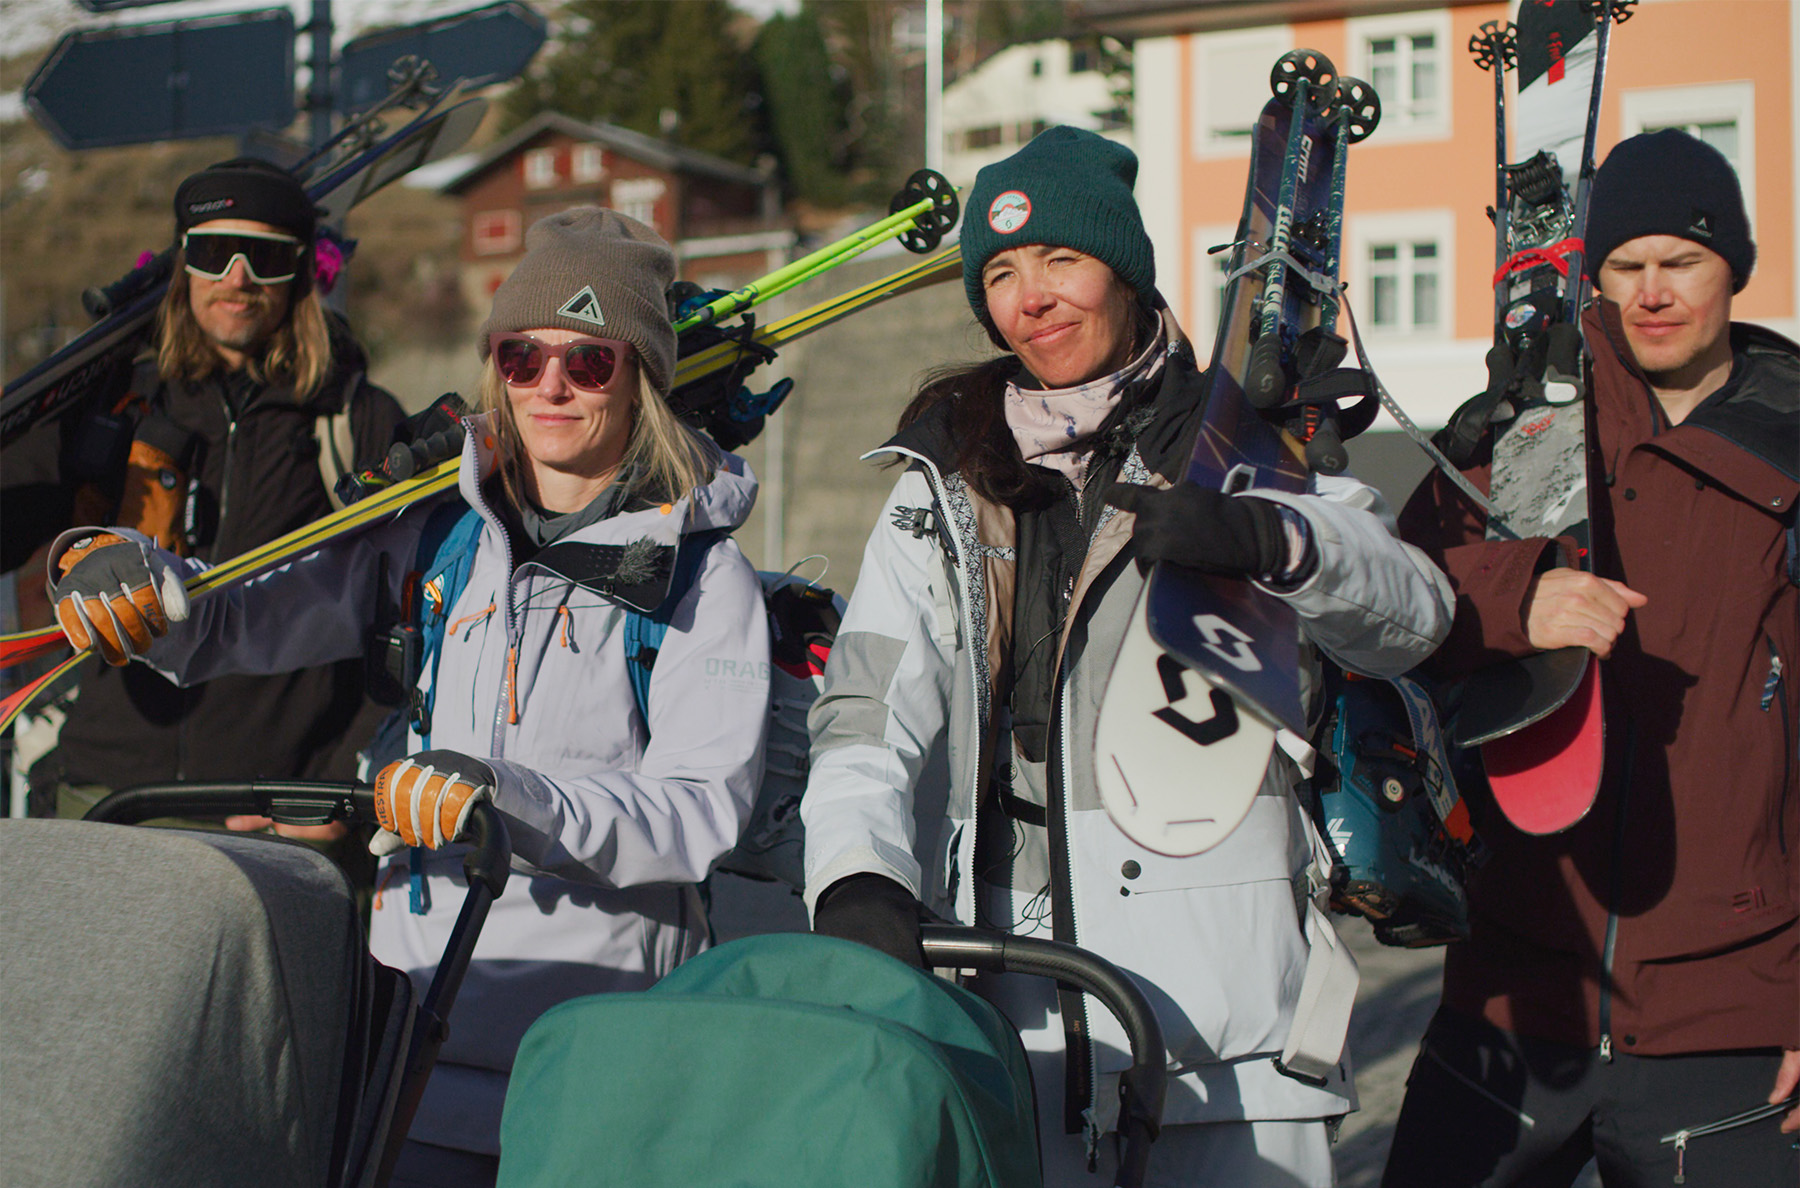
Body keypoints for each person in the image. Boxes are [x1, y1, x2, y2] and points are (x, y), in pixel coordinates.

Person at [45, 206, 772, 1187]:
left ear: (640, 376)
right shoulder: (433, 535)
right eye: (524, 356)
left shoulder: (697, 574)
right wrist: (110, 567)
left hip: (598, 1050)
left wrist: (507, 798)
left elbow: (702, 808)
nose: (551, 386)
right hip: (415, 1040)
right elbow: (228, 618)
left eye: (590, 362)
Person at [799, 127, 1453, 1187]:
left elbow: (1412, 613)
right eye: (1001, 274)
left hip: (1225, 1044)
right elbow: (866, 713)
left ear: (1126, 269)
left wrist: (1270, 542)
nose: (1031, 298)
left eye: (1061, 259)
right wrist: (858, 879)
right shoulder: (942, 478)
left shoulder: (1240, 444)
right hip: (1002, 1026)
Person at [1384, 129, 1799, 1187]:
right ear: (1593, 278)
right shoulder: (1527, 430)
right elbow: (1390, 598)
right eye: (1626, 266)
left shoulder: (1788, 447)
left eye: (1684, 261)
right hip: (1519, 989)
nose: (1654, 292)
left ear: (1735, 270)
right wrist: (1518, 595)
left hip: (1732, 1016)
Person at [2, 157, 404, 854]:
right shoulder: (113, 403)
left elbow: (408, 619)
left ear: (305, 272)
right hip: (102, 790)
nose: (237, 277)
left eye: (267, 258)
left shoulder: (357, 421)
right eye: (214, 252)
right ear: (182, 266)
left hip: (267, 811)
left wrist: (343, 785)